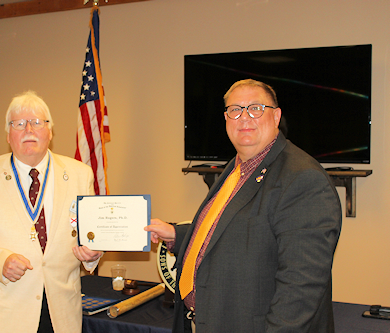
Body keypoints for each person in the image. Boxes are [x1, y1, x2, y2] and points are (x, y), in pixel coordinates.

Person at [146, 79, 342, 333]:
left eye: (256, 108)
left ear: (276, 116)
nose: (244, 118)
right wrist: (176, 235)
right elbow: (232, 235)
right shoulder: (237, 168)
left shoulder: (303, 178)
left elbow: (301, 287)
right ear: (226, 119)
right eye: (235, 110)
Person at [0, 91, 103, 333]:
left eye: (37, 122)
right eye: (19, 124)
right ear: (9, 135)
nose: (29, 129)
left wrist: (93, 254)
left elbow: (91, 234)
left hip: (60, 314)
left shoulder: (80, 174)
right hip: (3, 315)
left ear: (50, 132)